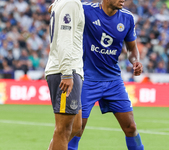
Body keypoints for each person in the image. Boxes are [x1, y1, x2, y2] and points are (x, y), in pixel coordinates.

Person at [68, 0, 144, 149]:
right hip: (87, 79)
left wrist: (135, 61)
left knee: (131, 127)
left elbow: (132, 48)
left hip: (113, 80)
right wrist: (56, 8)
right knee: (77, 128)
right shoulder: (86, 10)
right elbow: (63, 7)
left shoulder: (127, 18)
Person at [45, 0, 85, 150]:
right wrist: (67, 73)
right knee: (63, 130)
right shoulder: (71, 2)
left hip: (71, 69)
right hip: (66, 70)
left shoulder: (66, 2)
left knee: (76, 127)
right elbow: (65, 39)